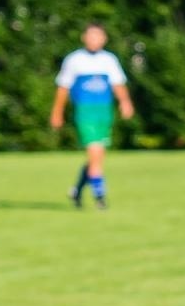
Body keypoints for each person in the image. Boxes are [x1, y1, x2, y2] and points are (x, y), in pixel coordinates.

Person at [50, 23, 134, 209]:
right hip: (85, 112)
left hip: (104, 112)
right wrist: (57, 112)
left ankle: (77, 191)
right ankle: (100, 198)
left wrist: (125, 102)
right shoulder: (74, 60)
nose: (94, 39)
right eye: (91, 35)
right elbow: (63, 88)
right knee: (95, 152)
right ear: (84, 37)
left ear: (104, 39)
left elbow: (118, 84)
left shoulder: (109, 60)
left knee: (96, 158)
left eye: (98, 36)